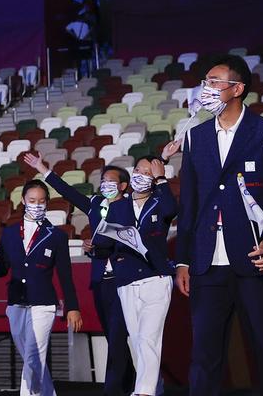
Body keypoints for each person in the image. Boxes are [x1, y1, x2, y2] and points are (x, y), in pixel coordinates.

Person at [173, 54, 263, 396]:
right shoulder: (195, 137)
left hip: (255, 259)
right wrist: (183, 259)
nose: (206, 89)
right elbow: (190, 205)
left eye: (214, 82)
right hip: (206, 263)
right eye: (205, 83)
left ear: (238, 88)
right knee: (204, 357)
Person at [22, 153, 133, 396]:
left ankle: (112, 390)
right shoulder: (96, 204)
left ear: (123, 186)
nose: (105, 185)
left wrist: (102, 245)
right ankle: (130, 381)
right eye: (103, 181)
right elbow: (68, 192)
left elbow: (128, 239)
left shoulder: (130, 207)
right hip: (100, 281)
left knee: (116, 337)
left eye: (111, 181)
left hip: (123, 280)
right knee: (113, 337)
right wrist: (43, 168)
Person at [0, 178, 83, 396]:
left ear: (47, 203)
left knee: (33, 354)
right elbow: (3, 269)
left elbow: (65, 275)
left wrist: (72, 307)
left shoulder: (57, 236)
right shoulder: (9, 233)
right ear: (23, 200)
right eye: (32, 200)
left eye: (41, 201)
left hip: (43, 304)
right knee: (31, 357)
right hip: (16, 303)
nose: (37, 204)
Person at [93, 156, 176, 396]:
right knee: (139, 341)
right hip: (126, 281)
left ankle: (143, 392)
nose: (141, 175)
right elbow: (103, 241)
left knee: (149, 338)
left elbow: (172, 209)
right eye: (138, 170)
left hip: (156, 278)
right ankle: (154, 388)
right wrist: (97, 244)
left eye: (148, 173)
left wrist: (162, 180)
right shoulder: (118, 206)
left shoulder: (160, 202)